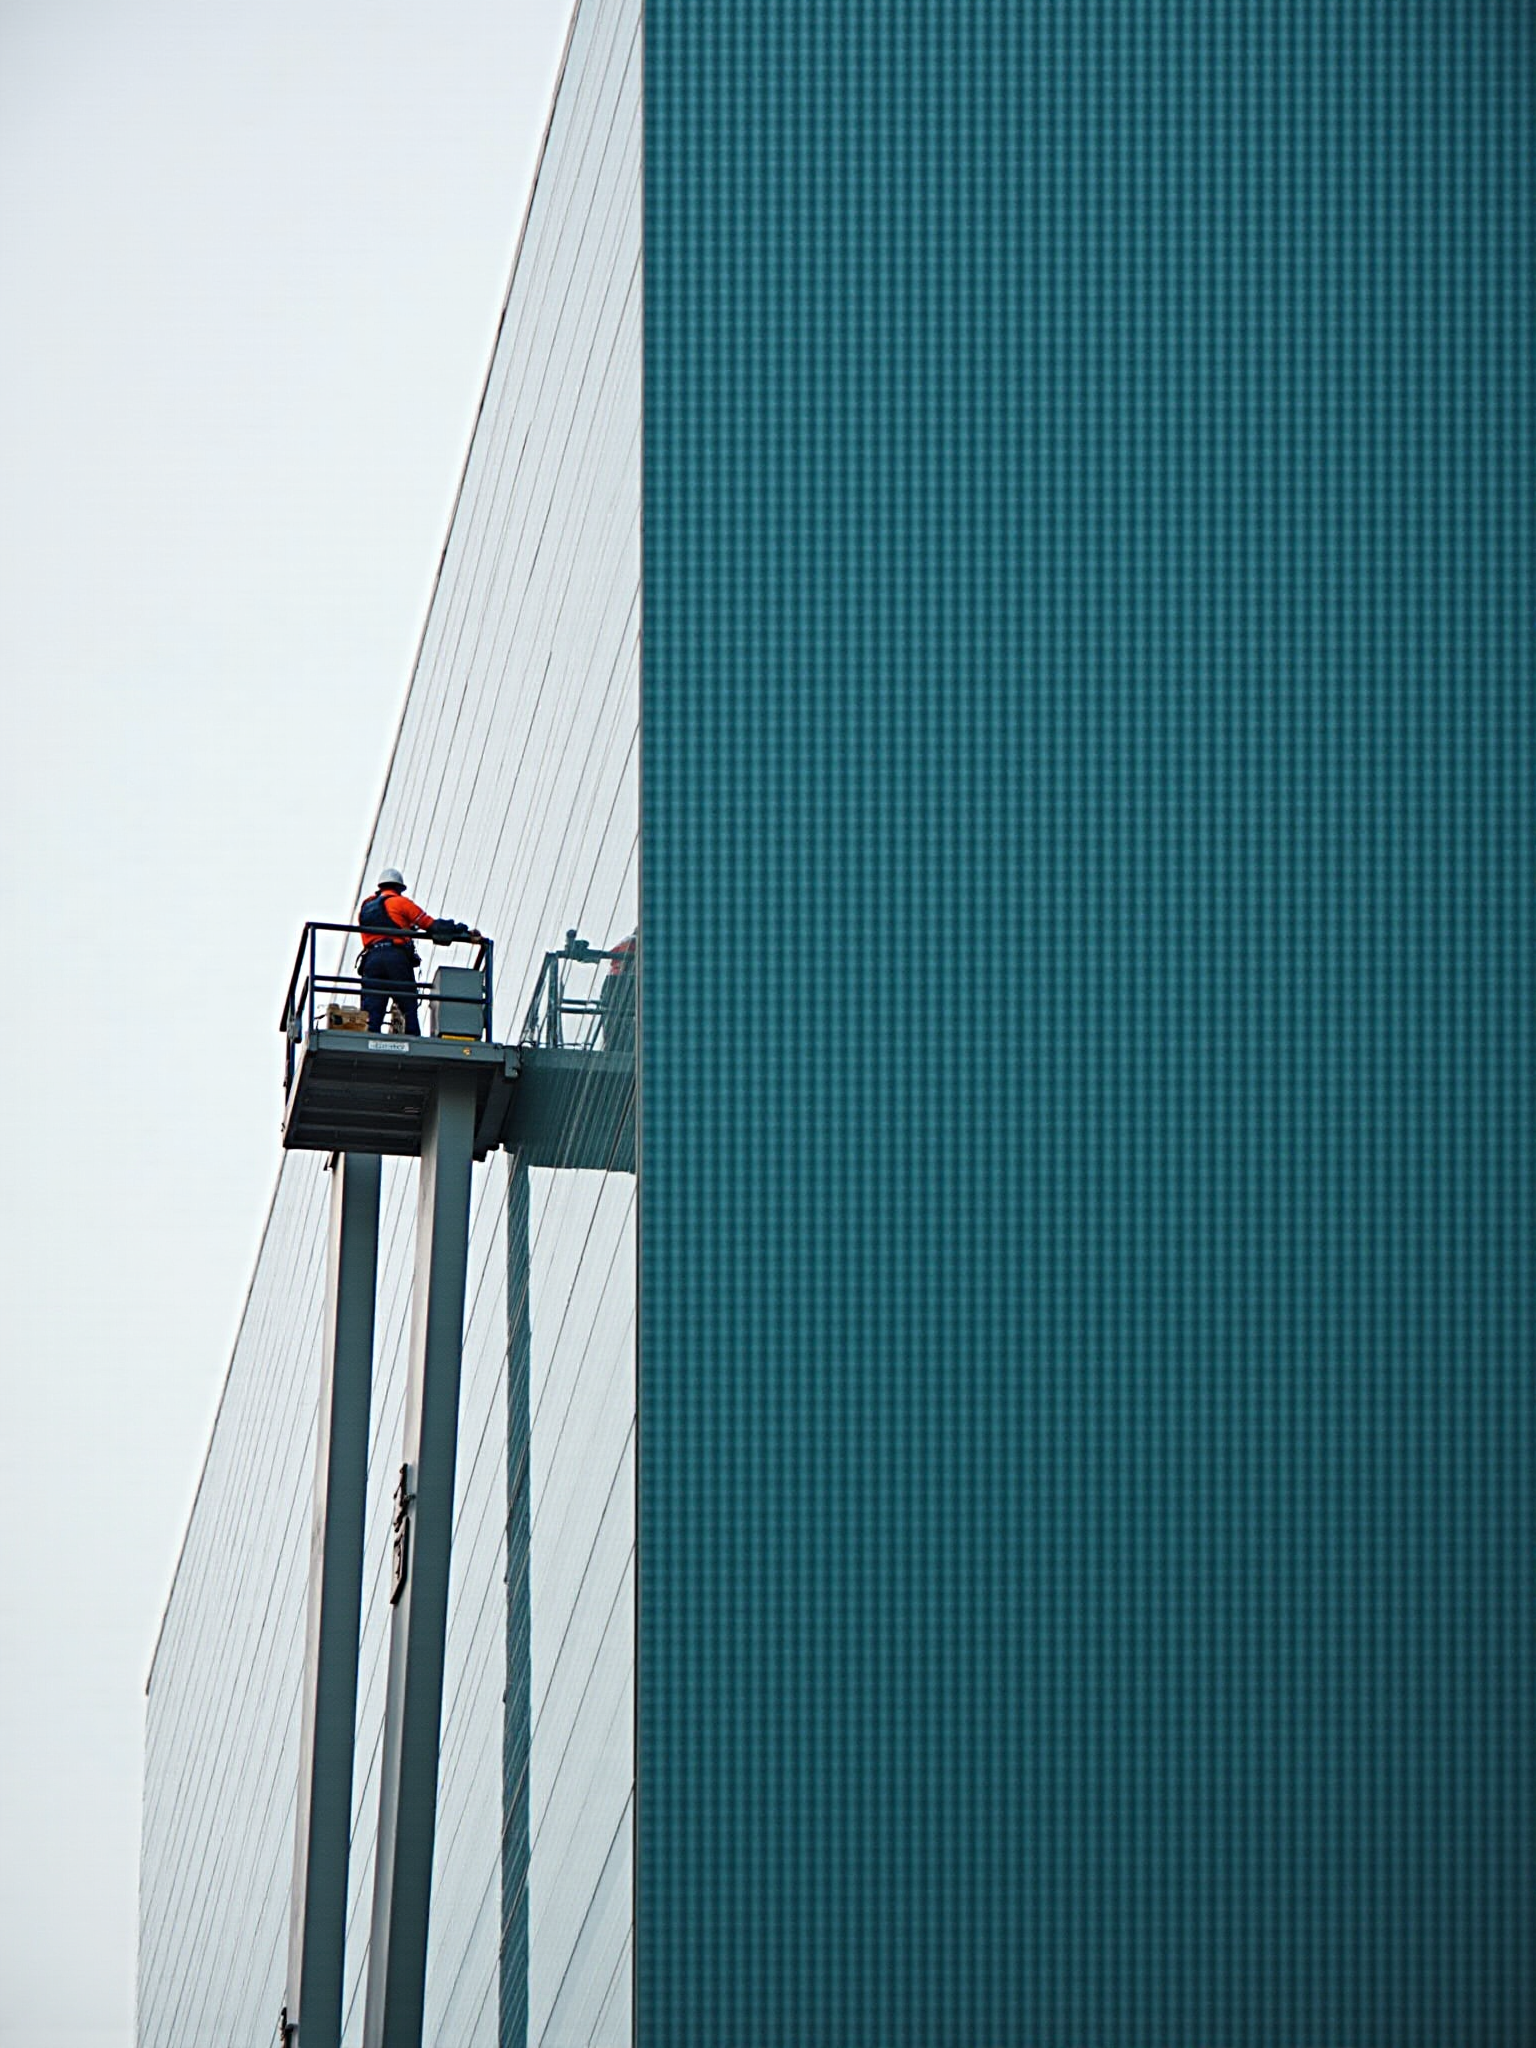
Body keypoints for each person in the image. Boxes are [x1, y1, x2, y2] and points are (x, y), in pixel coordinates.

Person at [356, 868, 476, 1035]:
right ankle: (413, 1037)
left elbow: (381, 927)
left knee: (372, 1012)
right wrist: (458, 929)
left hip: (371, 961)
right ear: (399, 888)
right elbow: (432, 926)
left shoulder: (366, 908)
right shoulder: (401, 903)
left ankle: (370, 1039)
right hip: (395, 959)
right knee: (408, 1004)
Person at [600, 929, 637, 1053]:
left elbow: (609, 955)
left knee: (612, 1015)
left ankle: (611, 1044)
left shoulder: (627, 940)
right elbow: (628, 963)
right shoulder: (635, 942)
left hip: (613, 980)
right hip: (625, 982)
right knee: (627, 1015)